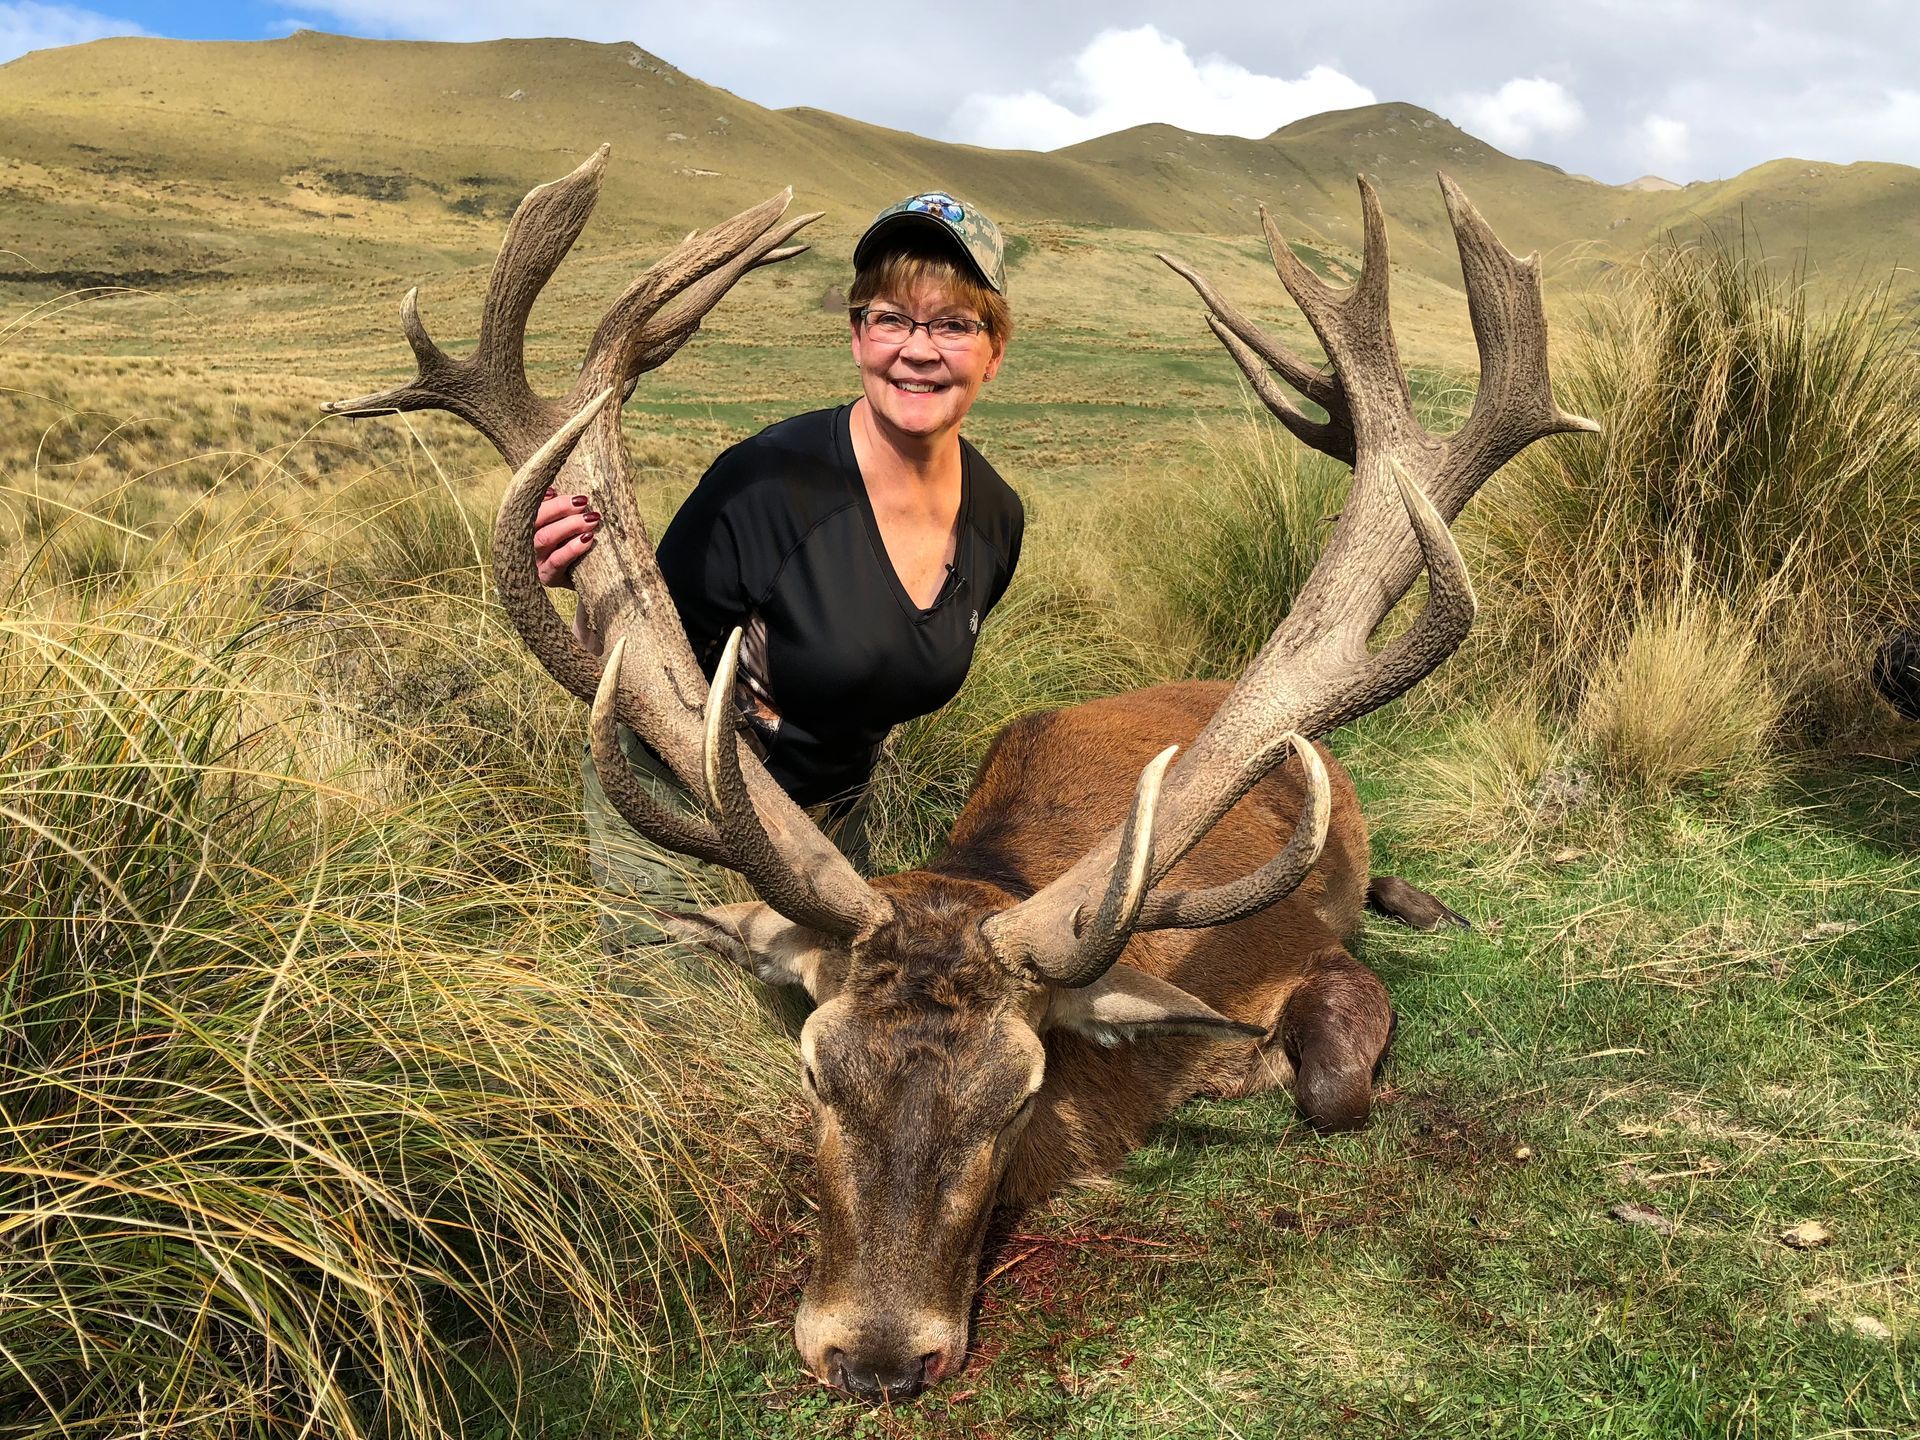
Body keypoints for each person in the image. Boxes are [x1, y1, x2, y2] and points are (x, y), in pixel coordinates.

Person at [532, 192, 1024, 915]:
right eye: (890, 318)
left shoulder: (995, 519)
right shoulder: (763, 484)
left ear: (994, 353)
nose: (919, 349)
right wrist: (583, 580)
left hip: (833, 825)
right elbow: (639, 652)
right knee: (680, 1025)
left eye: (953, 325)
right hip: (684, 811)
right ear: (857, 336)